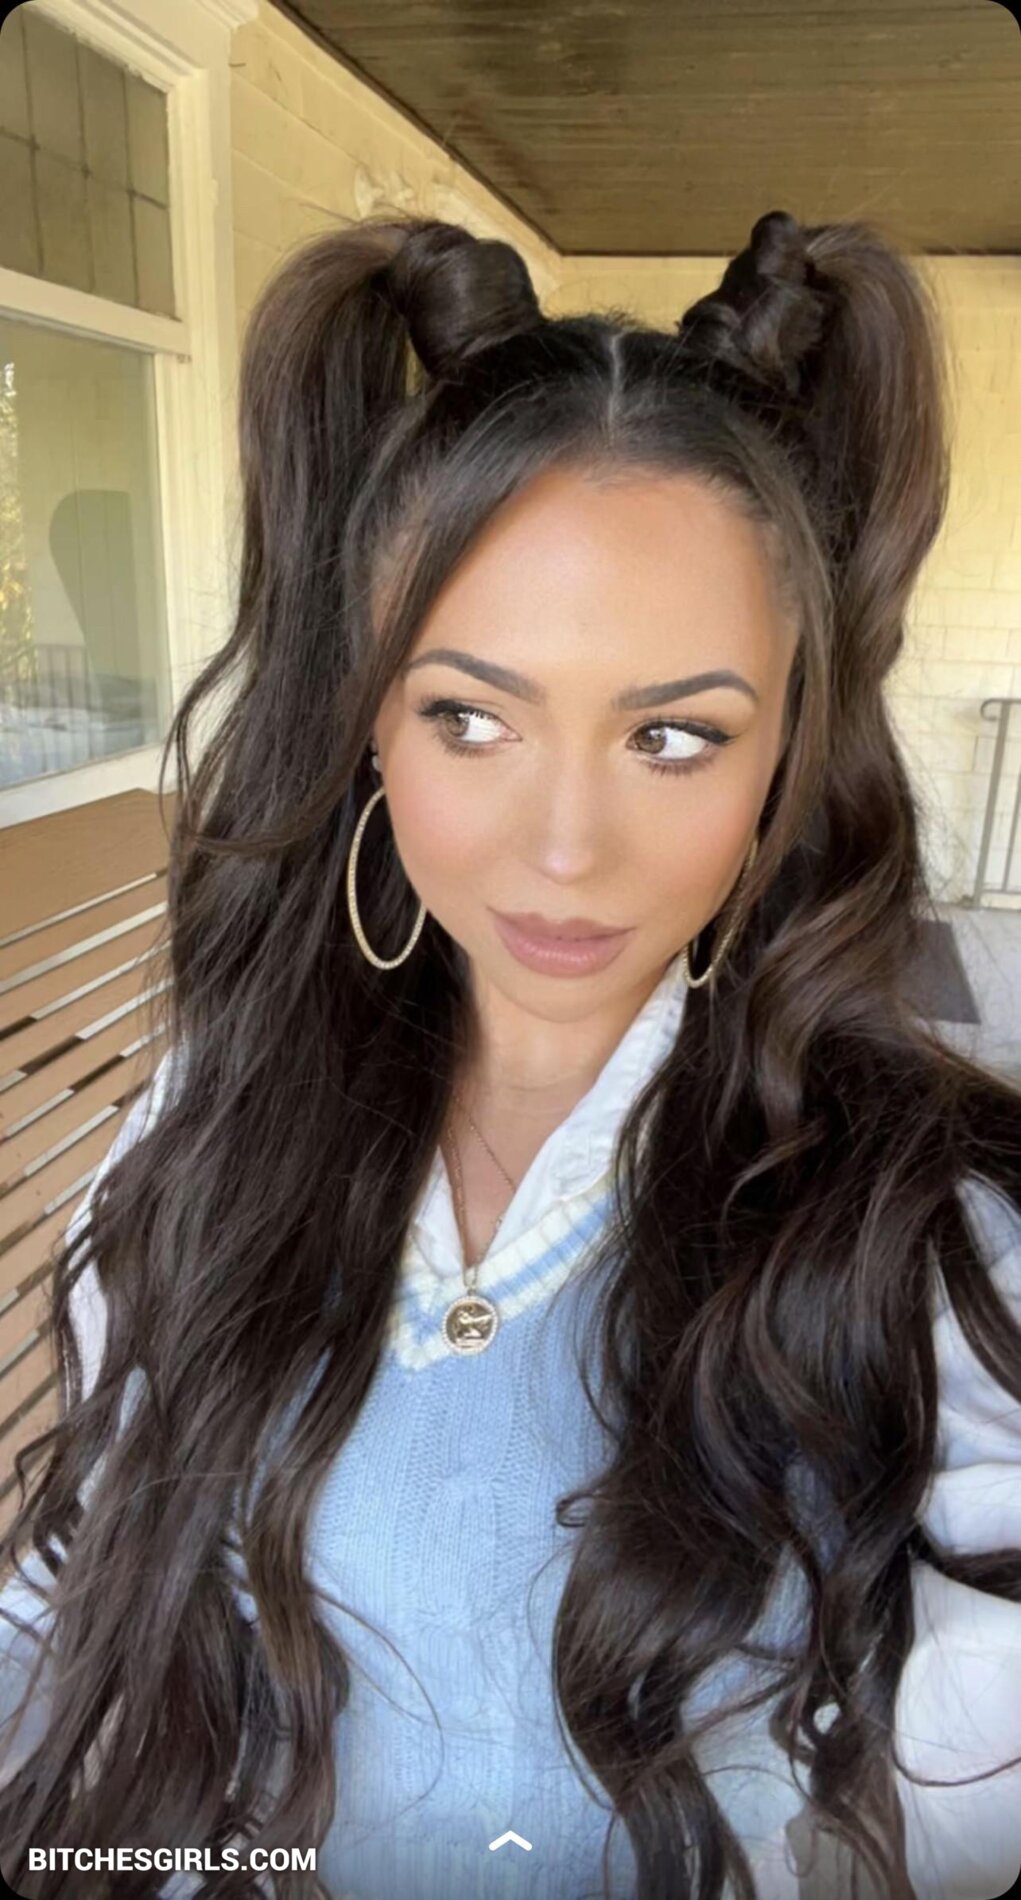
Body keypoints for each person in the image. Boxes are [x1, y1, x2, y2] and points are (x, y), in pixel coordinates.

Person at [2, 207, 1020, 1900]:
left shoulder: (932, 1231)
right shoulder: (219, 1116)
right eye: (469, 716)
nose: (561, 851)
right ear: (367, 719)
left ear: (786, 751)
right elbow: (70, 1596)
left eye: (672, 736)